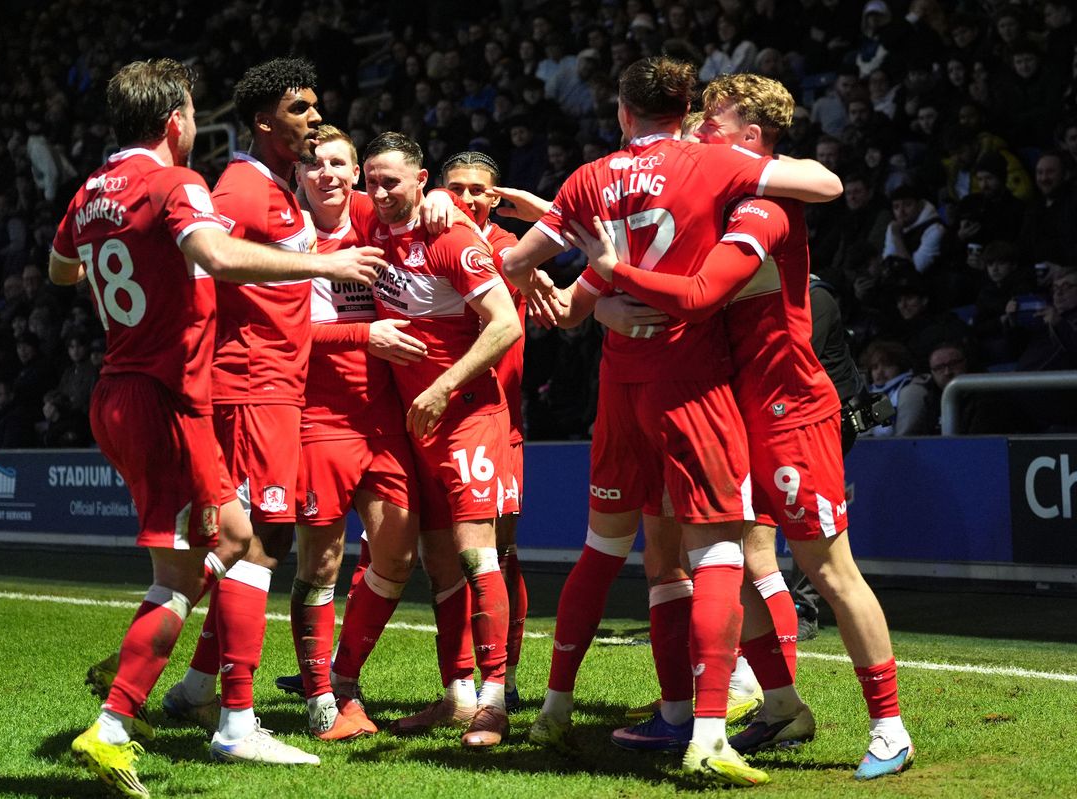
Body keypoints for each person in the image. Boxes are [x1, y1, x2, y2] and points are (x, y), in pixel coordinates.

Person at [496, 55, 841, 787]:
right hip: (696, 377)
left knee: (609, 548)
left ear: (621, 112)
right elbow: (822, 183)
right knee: (726, 550)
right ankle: (715, 720)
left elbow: (520, 263)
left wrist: (576, 295)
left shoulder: (589, 179)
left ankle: (558, 708)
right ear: (686, 112)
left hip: (621, 382)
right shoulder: (713, 165)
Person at [564, 72, 914, 780]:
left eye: (712, 122)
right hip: (731, 404)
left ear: (751, 139)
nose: (696, 128)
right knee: (743, 563)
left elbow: (696, 294)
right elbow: (634, 231)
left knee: (828, 567)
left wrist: (610, 271)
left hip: (789, 409)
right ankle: (782, 704)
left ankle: (890, 725)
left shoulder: (764, 206)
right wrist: (599, 295)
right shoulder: (713, 197)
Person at [52, 58, 382, 796]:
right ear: (177, 122)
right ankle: (143, 720)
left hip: (133, 384)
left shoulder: (91, 191)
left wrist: (130, 290)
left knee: (231, 542)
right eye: (300, 109)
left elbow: (61, 269)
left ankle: (195, 696)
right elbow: (214, 252)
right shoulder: (196, 184)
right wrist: (320, 267)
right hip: (191, 393)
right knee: (213, 560)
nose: (313, 120)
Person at [362, 131, 522, 748]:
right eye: (370, 181)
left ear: (419, 179)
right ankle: (457, 695)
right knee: (438, 562)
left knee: (479, 551)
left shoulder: (452, 236)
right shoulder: (371, 225)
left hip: (470, 414)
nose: (379, 192)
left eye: (392, 181)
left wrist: (442, 388)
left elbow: (504, 323)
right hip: (419, 429)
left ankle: (495, 701)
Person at [284, 124, 425, 740]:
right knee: (322, 562)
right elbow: (286, 334)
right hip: (318, 419)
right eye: (315, 166)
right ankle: (321, 697)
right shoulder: (285, 237)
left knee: (398, 548)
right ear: (297, 176)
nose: (329, 175)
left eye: (340, 164)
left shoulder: (373, 215)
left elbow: (416, 201)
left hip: (381, 417)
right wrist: (363, 335)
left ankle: (344, 676)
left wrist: (440, 196)